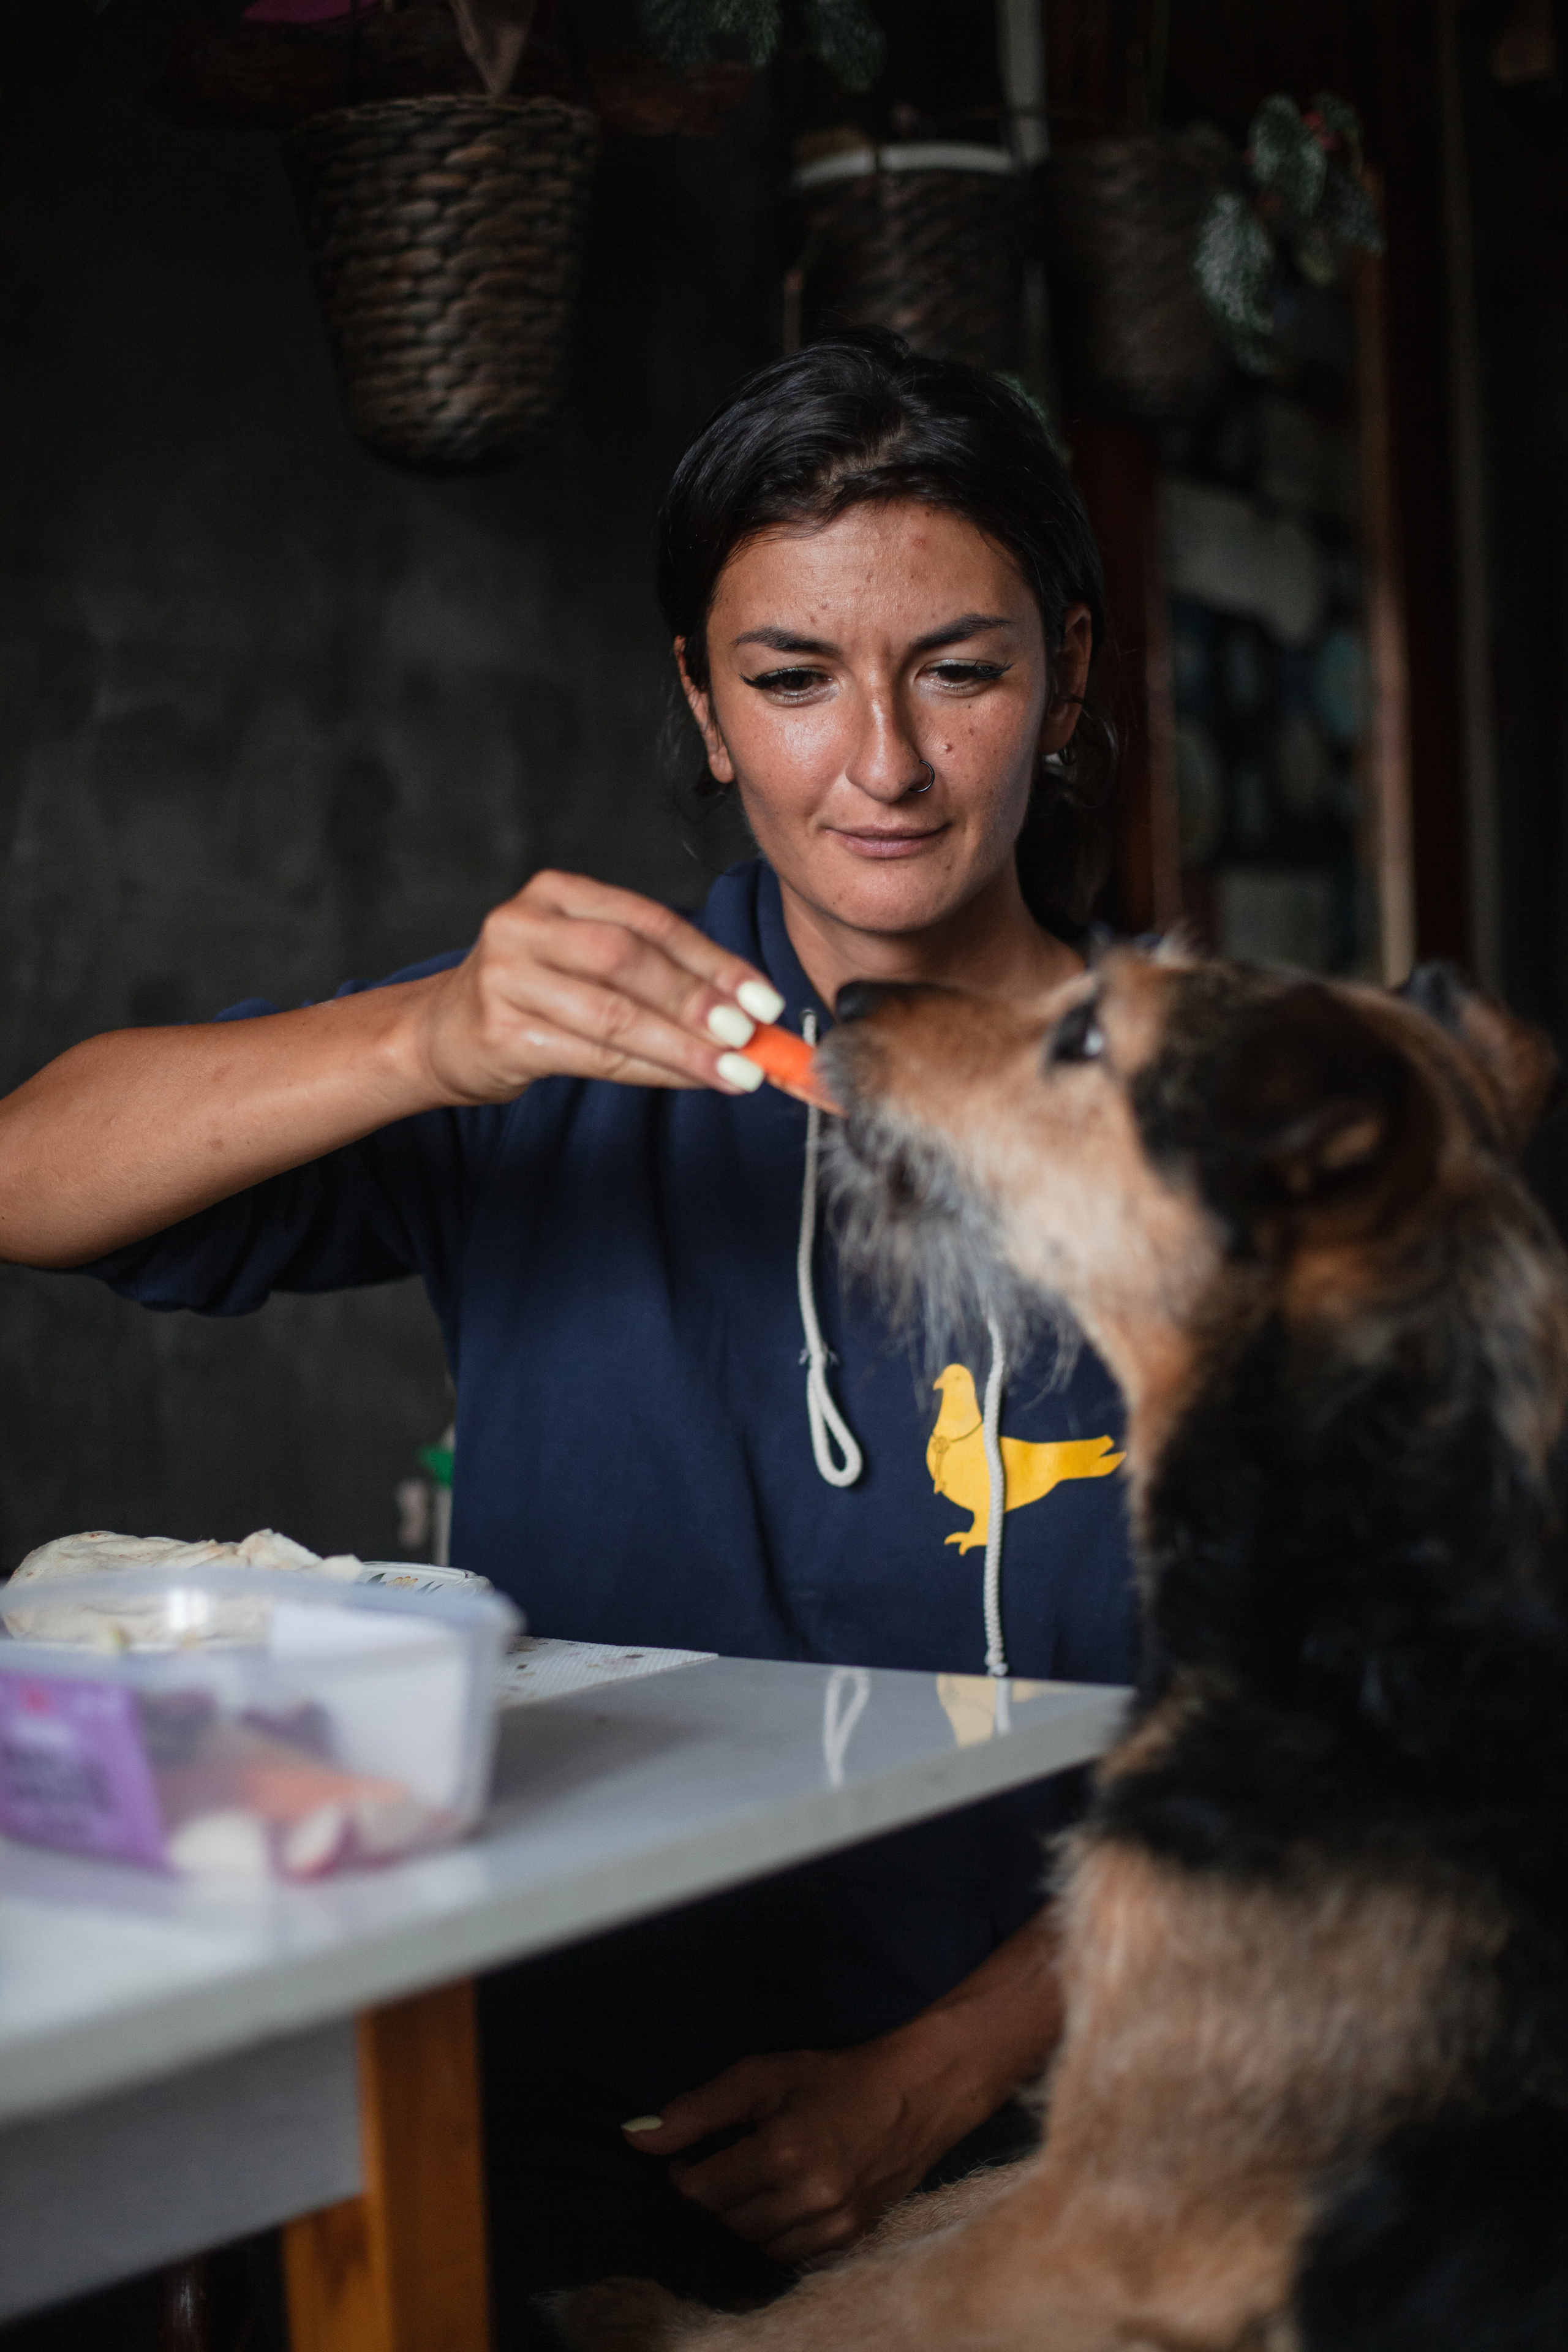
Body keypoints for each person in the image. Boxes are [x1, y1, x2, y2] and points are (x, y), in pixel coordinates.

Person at [0, 331, 1136, 2327]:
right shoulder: (566, 1033)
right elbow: (32, 1180)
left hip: (1036, 2159)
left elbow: (1328, 1721)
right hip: (523, 2119)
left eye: (957, 669)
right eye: (792, 678)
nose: (880, 763)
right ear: (703, 703)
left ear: (1067, 673)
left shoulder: (1225, 1114)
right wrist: (425, 1038)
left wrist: (931, 2080)